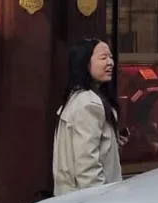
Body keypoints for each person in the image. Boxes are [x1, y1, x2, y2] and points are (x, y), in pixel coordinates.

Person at [52, 38, 126, 195]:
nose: (110, 63)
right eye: (103, 57)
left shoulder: (77, 97)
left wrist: (112, 142)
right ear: (85, 63)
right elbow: (87, 169)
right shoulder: (89, 104)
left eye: (110, 57)